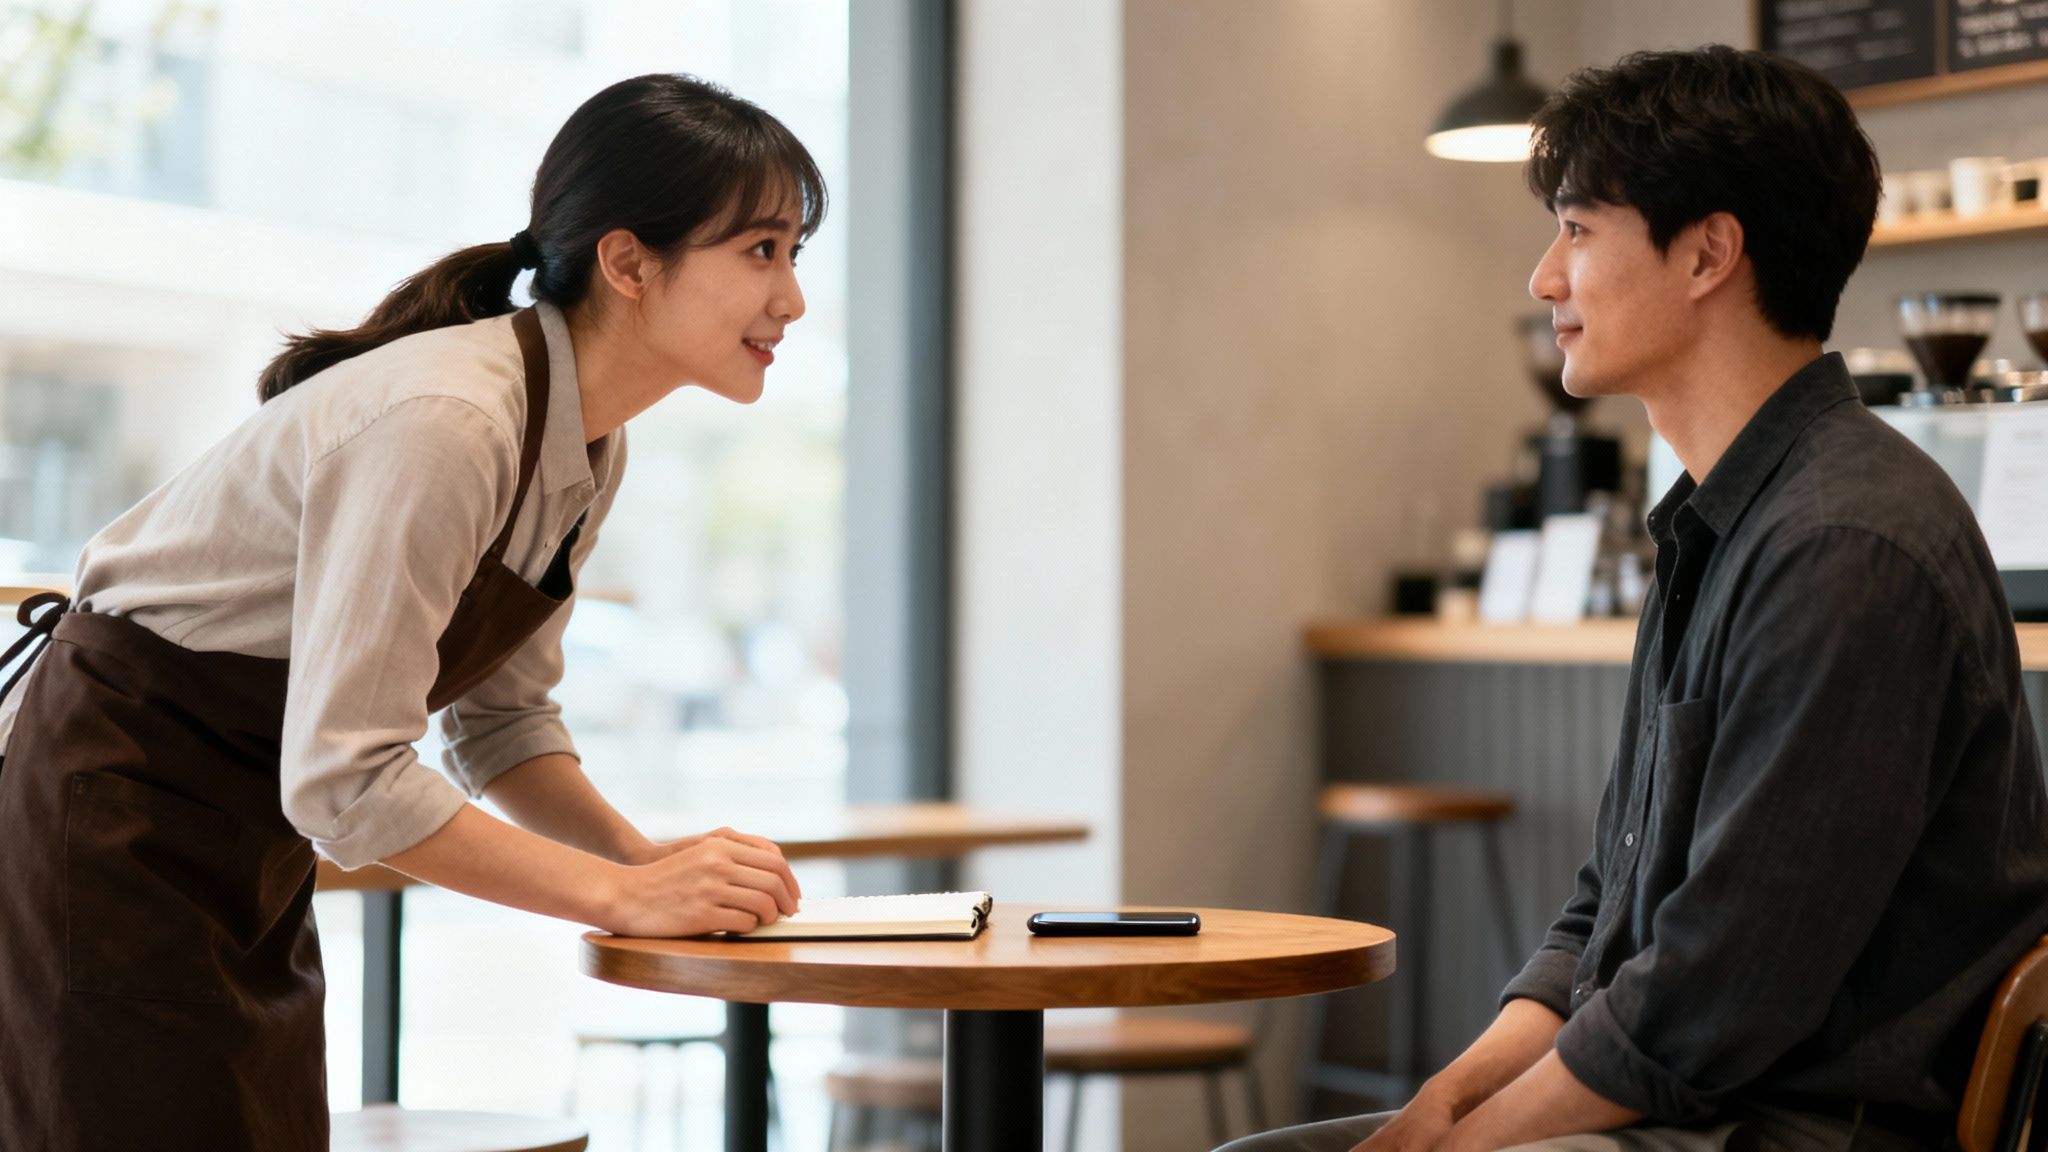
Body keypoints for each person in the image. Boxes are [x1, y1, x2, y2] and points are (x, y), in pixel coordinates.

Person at [1226, 45, 2048, 1152]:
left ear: (1707, 253)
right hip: (1689, 1105)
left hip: (1787, 1129)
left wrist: (1463, 1147)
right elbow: (1603, 909)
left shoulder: (1843, 546)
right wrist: (1446, 1102)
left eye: (1575, 229)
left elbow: (1710, 999)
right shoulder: (1720, 520)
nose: (1542, 279)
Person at [0, 73, 823, 1151]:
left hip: (241, 843)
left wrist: (642, 864)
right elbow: (346, 778)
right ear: (628, 262)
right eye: (759, 252)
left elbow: (504, 728)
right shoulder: (450, 417)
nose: (792, 299)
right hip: (110, 819)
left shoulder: (584, 437)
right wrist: (616, 899)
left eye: (793, 255)